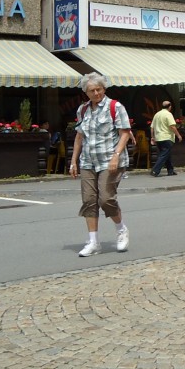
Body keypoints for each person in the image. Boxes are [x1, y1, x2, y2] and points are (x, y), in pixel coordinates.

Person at [69, 72, 132, 257]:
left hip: (110, 160)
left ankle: (121, 230)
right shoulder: (82, 110)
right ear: (86, 92)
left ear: (104, 89)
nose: (96, 93)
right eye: (92, 90)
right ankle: (93, 242)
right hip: (88, 161)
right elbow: (79, 137)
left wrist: (116, 156)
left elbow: (125, 133)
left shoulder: (115, 106)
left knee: (106, 199)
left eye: (99, 89)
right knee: (89, 201)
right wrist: (73, 161)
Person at [150, 99, 182, 177]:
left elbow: (152, 127)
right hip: (167, 137)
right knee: (164, 155)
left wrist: (152, 137)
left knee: (166, 154)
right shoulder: (168, 114)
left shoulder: (157, 114)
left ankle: (170, 170)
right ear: (169, 107)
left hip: (158, 138)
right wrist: (178, 135)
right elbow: (172, 126)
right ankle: (155, 170)